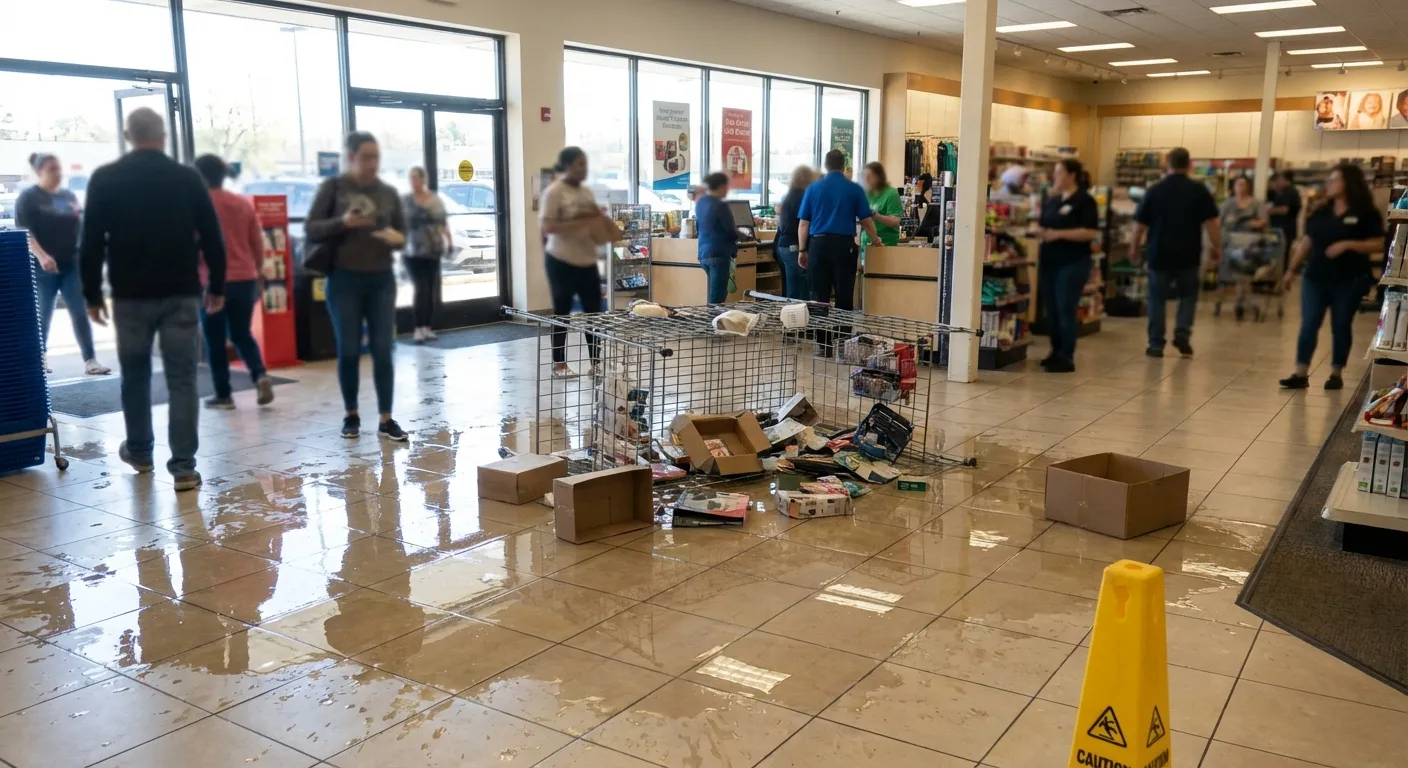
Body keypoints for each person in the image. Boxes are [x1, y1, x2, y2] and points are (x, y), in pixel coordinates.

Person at [80, 108, 226, 491]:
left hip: (130, 296)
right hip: (180, 292)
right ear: (163, 136)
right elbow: (212, 236)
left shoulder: (105, 178)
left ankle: (141, 452)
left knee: (135, 375)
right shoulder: (187, 178)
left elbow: (91, 242)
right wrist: (219, 286)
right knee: (182, 380)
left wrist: (92, 294)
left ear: (128, 135)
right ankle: (183, 468)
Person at [305, 131, 408, 442]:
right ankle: (351, 414)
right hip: (344, 279)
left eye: (376, 156)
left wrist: (396, 238)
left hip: (381, 279)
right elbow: (311, 228)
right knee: (348, 349)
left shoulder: (388, 193)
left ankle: (386, 418)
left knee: (383, 349)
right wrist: (343, 223)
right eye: (365, 157)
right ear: (351, 158)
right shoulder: (334, 188)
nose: (372, 163)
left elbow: (403, 233)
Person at [1279, 164, 1385, 391]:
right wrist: (1290, 270)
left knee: (1341, 325)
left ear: (1349, 183)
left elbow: (1378, 243)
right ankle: (1300, 371)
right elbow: (1306, 242)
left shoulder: (1366, 213)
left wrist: (1348, 244)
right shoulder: (1320, 211)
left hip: (1349, 280)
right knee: (1308, 324)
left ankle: (1336, 372)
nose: (1329, 184)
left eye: (1335, 179)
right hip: (1315, 277)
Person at [192, 154, 274, 410]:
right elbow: (257, 243)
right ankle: (259, 374)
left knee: (215, 340)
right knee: (241, 333)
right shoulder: (241, 203)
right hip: (245, 279)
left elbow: (193, 245)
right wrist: (258, 271)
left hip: (213, 283)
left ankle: (224, 395)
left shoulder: (198, 205)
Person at [16, 153, 110, 376]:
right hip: (43, 269)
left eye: (59, 169)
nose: (57, 174)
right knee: (43, 315)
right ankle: (39, 358)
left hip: (71, 265)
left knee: (79, 312)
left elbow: (80, 225)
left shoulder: (68, 195)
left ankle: (90, 360)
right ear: (39, 172)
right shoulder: (28, 198)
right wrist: (42, 256)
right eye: (51, 169)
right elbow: (25, 233)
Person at [1130, 147, 1221, 358]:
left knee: (1156, 299)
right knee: (1188, 296)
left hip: (1158, 252)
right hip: (1188, 253)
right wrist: (1218, 248)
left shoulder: (1154, 190)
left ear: (1167, 165)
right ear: (1189, 165)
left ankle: (1155, 344)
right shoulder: (1199, 190)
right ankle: (1182, 333)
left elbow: (1139, 224)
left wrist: (1134, 247)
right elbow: (1212, 224)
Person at [539, 146, 612, 378]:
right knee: (563, 313)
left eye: (585, 164)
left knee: (594, 314)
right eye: (580, 164)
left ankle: (596, 363)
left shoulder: (586, 193)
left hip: (586, 261)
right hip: (561, 261)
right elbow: (547, 226)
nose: (584, 169)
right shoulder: (554, 192)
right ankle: (559, 364)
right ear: (568, 166)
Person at [1036, 159, 1101, 374]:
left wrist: (1058, 234)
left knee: (1065, 307)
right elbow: (1044, 225)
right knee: (1051, 309)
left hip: (1072, 262)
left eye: (1059, 173)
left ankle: (1066, 355)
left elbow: (1090, 232)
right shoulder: (1053, 201)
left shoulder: (1084, 201)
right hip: (1049, 262)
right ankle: (1055, 351)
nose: (1055, 177)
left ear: (1072, 175)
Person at [798, 149, 879, 313]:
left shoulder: (813, 189)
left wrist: (802, 250)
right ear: (843, 166)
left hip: (818, 245)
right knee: (844, 295)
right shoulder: (854, 189)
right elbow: (866, 220)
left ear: (826, 166)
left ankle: (820, 337)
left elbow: (803, 224)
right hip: (844, 247)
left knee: (819, 296)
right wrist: (875, 239)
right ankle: (843, 336)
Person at [402, 166, 451, 344]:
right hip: (412, 252)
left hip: (432, 250)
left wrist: (449, 241)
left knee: (430, 290)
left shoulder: (434, 200)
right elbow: (398, 223)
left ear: (423, 179)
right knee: (420, 288)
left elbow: (443, 223)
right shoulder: (405, 201)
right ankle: (418, 328)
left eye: (416, 178)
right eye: (411, 178)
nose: (413, 182)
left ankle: (427, 327)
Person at [1216, 175, 1269, 321]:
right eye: (1238, 184)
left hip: (1252, 242)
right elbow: (1219, 223)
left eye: (1243, 184)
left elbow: (1263, 222)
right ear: (1233, 187)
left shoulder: (1256, 204)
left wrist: (1244, 223)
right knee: (1240, 263)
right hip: (1231, 242)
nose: (1241, 187)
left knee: (1242, 261)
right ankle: (1244, 301)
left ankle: (1240, 301)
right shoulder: (1227, 205)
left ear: (1249, 186)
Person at [696, 172, 737, 304]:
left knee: (713, 292)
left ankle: (711, 320)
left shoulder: (701, 202)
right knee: (718, 296)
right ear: (720, 186)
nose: (727, 190)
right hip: (719, 253)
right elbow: (730, 230)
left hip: (703, 253)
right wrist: (740, 236)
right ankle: (713, 322)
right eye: (726, 186)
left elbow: (699, 226)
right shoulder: (721, 205)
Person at [773, 165, 813, 300]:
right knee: (800, 290)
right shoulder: (803, 197)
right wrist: (803, 249)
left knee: (791, 285)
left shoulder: (788, 196)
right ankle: (798, 317)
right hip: (794, 245)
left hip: (783, 244)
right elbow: (803, 223)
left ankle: (792, 315)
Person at [861, 162, 903, 261]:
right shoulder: (865, 194)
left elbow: (895, 221)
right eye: (864, 176)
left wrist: (877, 216)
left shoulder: (891, 194)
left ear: (878, 177)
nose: (865, 180)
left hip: (885, 244)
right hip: (866, 244)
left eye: (869, 177)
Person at [1267, 170, 1302, 247]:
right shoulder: (1287, 192)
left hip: (1284, 230)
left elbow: (1284, 209)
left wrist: (1269, 211)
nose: (1278, 182)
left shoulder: (1289, 192)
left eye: (1280, 179)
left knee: (1280, 251)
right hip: (1284, 229)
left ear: (1285, 180)